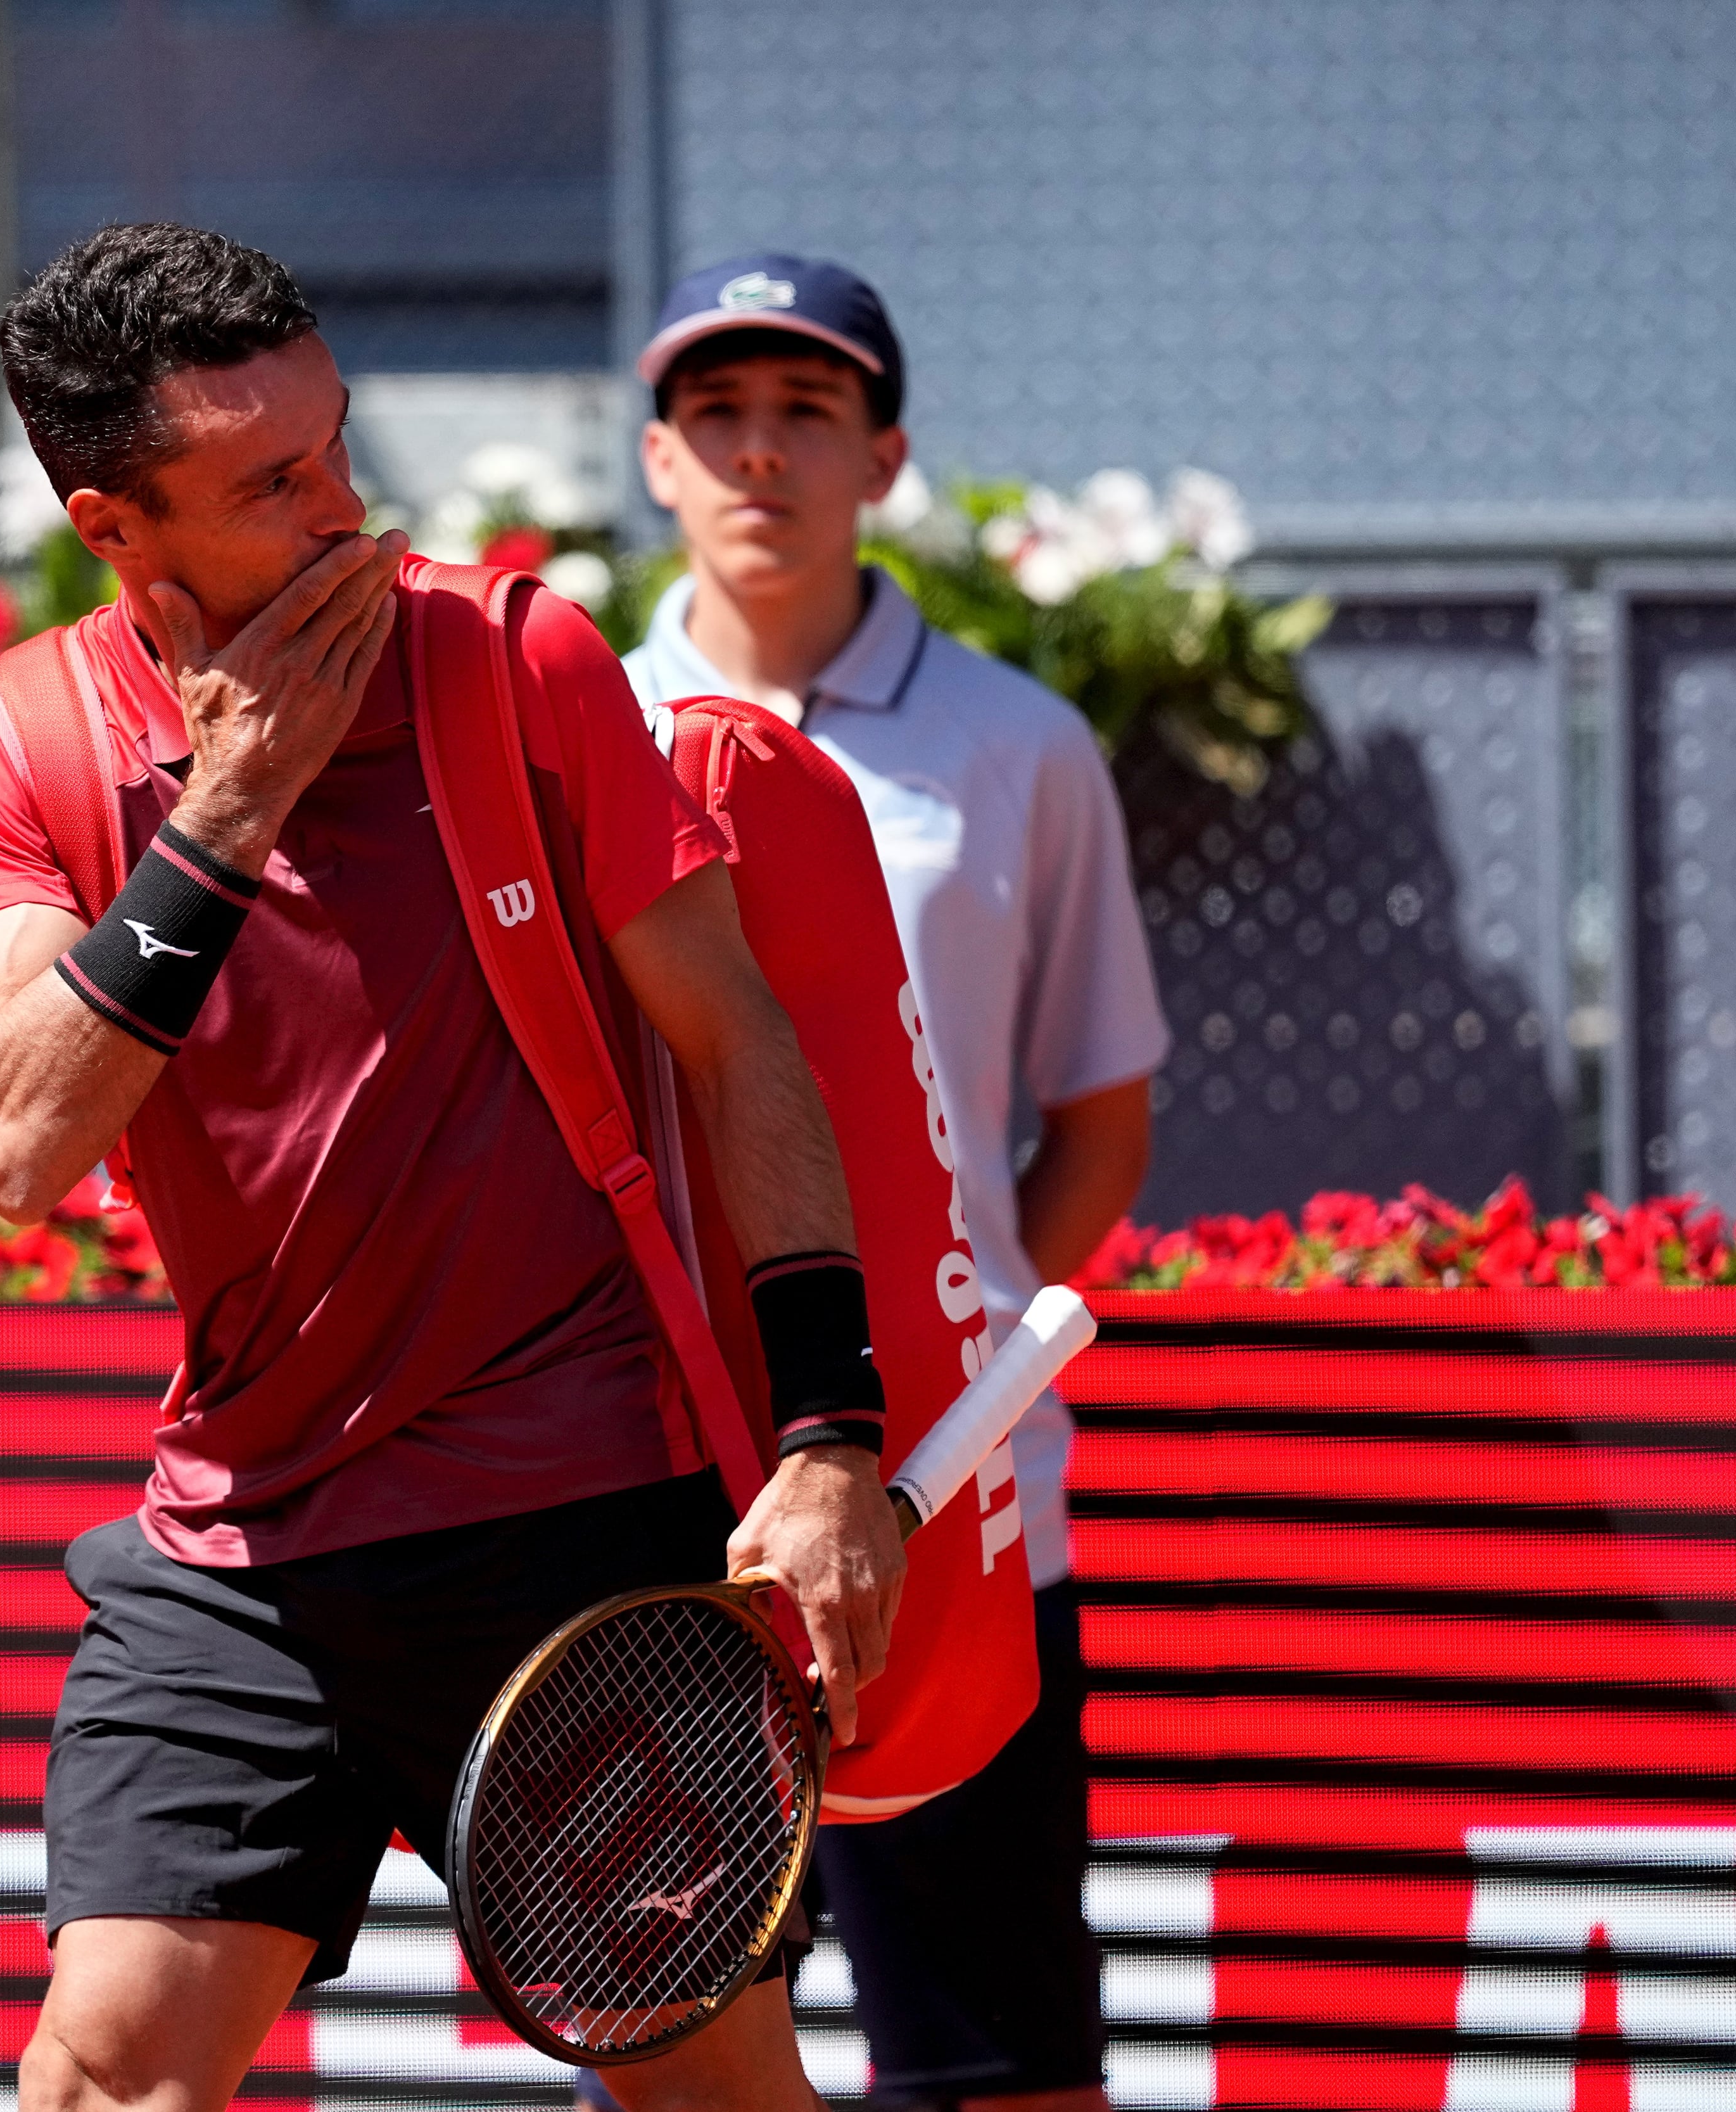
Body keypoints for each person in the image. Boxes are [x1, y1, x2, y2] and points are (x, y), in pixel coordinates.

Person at [0, 223, 907, 2112]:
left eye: (337, 443)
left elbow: (734, 1041)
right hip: (237, 1556)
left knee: (717, 2098)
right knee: (100, 2082)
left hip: (572, 1526)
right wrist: (225, 814)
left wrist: (828, 1439)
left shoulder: (517, 664)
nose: (345, 509)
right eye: (272, 484)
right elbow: (21, 1142)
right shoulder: (13, 744)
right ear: (117, 528)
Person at [618, 254, 1167, 2112]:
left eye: (808, 414)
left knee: (998, 2070)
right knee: (672, 2065)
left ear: (888, 458)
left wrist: (954, 1358)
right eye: (720, 416)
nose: (761, 454)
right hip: (659, 1507)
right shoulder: (573, 734)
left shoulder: (1018, 744)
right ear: (657, 459)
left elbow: (1098, 1113)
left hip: (957, 1509)